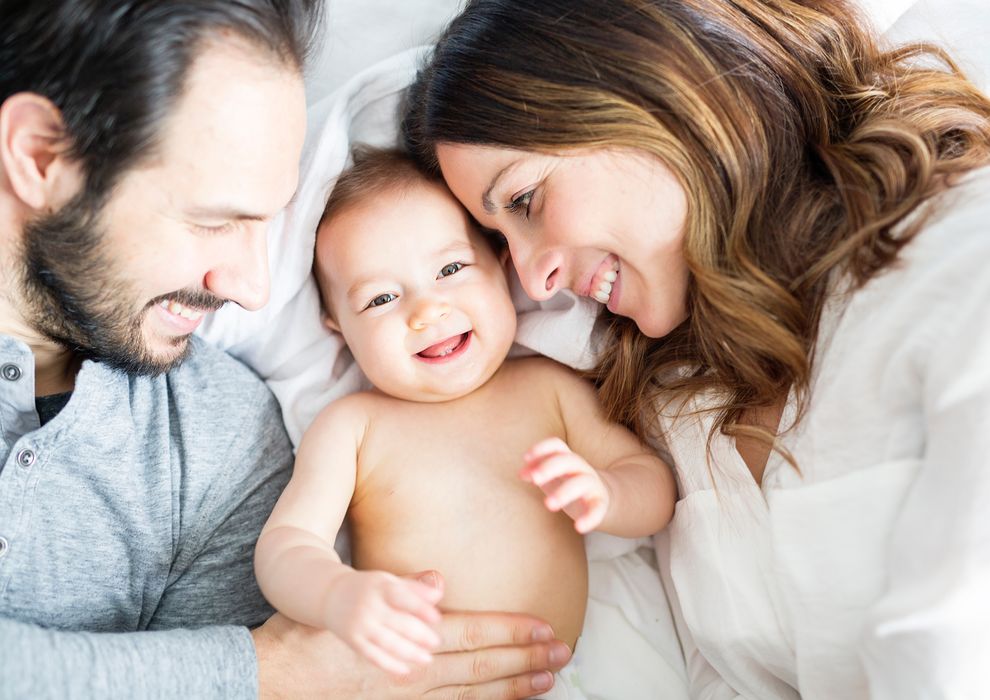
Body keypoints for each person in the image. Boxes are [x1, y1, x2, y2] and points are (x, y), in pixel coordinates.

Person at [402, 0, 990, 697]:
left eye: (526, 201)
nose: (534, 279)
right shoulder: (681, 409)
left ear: (656, 90)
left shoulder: (962, 257)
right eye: (499, 243)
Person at [0, 2, 572, 698]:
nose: (252, 286)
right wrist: (268, 671)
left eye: (267, 228)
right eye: (216, 221)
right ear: (39, 156)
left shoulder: (223, 445)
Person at [255, 147, 676, 698]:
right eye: (381, 298)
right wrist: (336, 595)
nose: (426, 311)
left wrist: (608, 493)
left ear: (503, 271)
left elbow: (653, 485)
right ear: (338, 327)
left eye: (450, 269)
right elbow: (286, 546)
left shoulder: (548, 390)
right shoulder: (353, 426)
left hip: (556, 681)